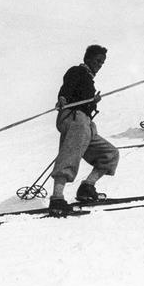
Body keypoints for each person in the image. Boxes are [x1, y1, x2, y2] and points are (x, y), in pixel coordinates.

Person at [46, 45, 120, 215]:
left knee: (109, 154)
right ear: (88, 59)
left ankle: (87, 187)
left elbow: (80, 94)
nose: (100, 65)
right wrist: (63, 98)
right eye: (97, 61)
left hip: (85, 123)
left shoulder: (88, 78)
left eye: (102, 62)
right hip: (75, 119)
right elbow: (67, 86)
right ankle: (57, 199)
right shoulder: (77, 71)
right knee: (69, 157)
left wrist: (93, 100)